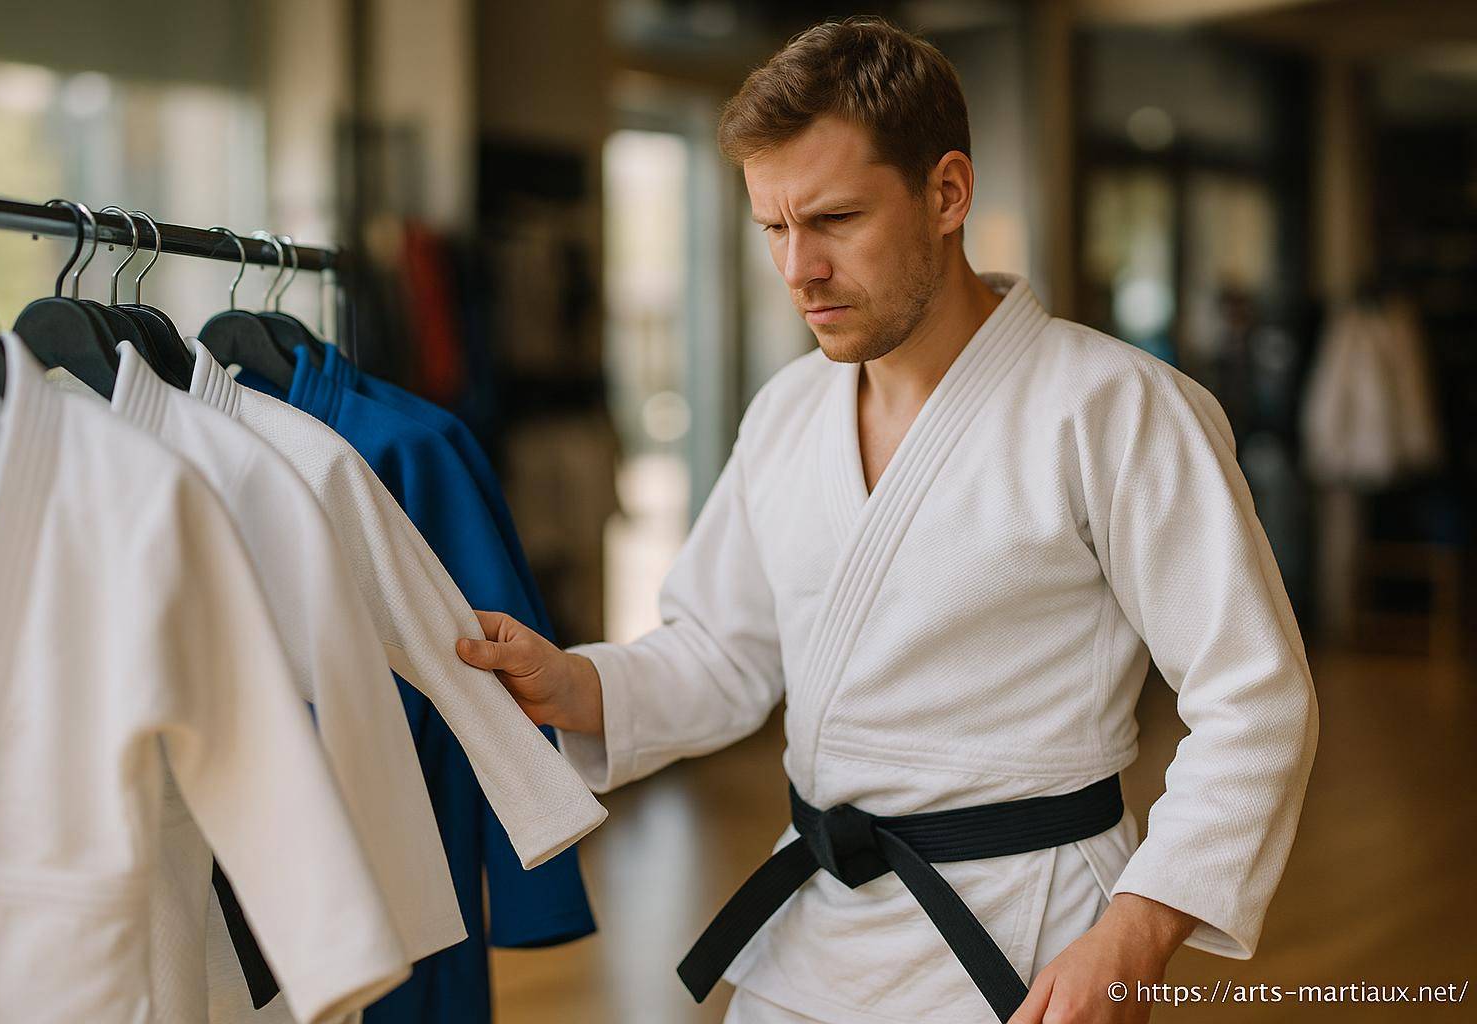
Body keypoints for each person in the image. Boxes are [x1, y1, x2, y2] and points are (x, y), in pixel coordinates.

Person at [456, 16, 1318, 1024]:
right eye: (773, 228)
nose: (797, 268)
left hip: (1028, 942)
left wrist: (1133, 932)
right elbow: (725, 654)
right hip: (812, 933)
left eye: (833, 220)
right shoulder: (786, 412)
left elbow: (1254, 698)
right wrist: (580, 681)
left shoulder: (1117, 409)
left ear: (947, 193)